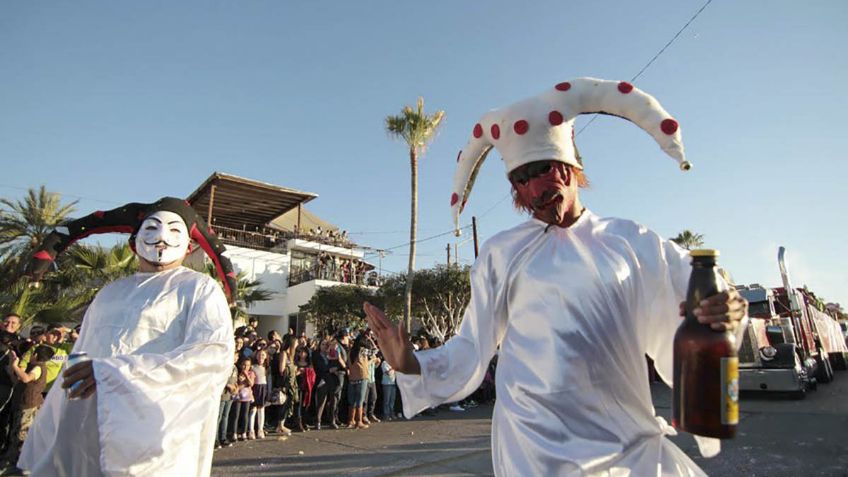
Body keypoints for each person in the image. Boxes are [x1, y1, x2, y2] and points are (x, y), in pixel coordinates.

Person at [364, 78, 748, 476]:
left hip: (629, 452)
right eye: (520, 179)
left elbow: (702, 299)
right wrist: (411, 364)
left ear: (570, 167)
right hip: (533, 455)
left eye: (541, 171)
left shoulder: (634, 243)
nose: (532, 191)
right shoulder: (500, 254)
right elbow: (471, 345)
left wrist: (726, 307)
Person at [20, 197, 238, 476]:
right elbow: (79, 360)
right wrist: (55, 431)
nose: (162, 238)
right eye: (152, 228)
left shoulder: (200, 289)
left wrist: (118, 373)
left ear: (189, 245)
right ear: (134, 241)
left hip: (156, 442)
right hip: (86, 432)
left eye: (174, 230)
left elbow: (211, 356)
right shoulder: (109, 293)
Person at [3, 345, 55, 463]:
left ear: (35, 355)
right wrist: (12, 373)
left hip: (29, 406)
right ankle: (11, 459)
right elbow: (21, 383)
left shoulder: (38, 368)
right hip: (22, 404)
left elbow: (26, 379)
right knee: (15, 432)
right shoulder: (34, 367)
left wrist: (15, 366)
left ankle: (20, 462)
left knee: (22, 434)